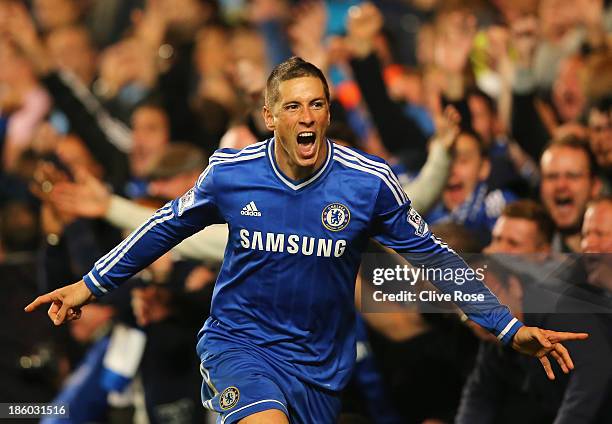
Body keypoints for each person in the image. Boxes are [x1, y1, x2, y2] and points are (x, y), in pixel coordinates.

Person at [26, 57, 588, 424]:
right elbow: (165, 227)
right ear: (271, 117)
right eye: (292, 105)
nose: (307, 116)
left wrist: (508, 326)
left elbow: (434, 258)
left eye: (316, 104)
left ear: (327, 113)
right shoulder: (230, 173)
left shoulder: (368, 185)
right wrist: (90, 283)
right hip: (239, 346)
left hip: (319, 366)